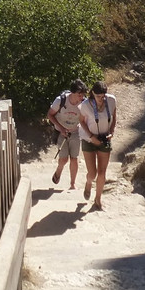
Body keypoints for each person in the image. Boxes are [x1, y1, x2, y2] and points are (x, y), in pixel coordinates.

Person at [78, 80, 117, 209]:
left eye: (103, 96)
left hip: (104, 139)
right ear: (93, 93)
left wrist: (111, 132)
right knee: (92, 173)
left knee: (102, 172)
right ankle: (89, 183)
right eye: (99, 96)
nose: (101, 99)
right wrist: (91, 136)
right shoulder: (85, 105)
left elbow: (114, 116)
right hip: (89, 140)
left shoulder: (111, 101)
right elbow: (81, 121)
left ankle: (98, 199)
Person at [47, 79, 87, 189]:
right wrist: (60, 128)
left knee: (74, 159)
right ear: (73, 93)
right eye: (80, 94)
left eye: (83, 94)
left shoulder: (84, 103)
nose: (82, 97)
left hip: (75, 132)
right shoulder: (60, 101)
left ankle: (72, 184)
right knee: (64, 159)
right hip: (61, 132)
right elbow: (50, 115)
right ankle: (58, 171)